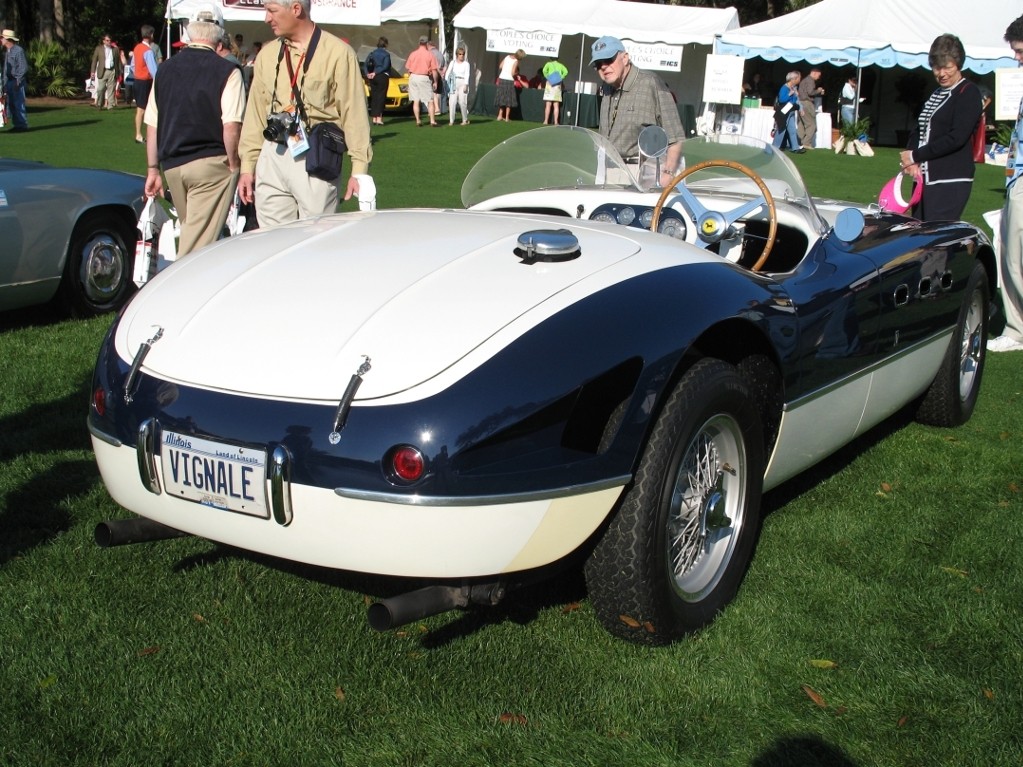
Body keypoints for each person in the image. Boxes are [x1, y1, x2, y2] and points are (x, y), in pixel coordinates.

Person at [238, 0, 372, 228]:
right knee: (271, 242)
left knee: (315, 240)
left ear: (296, 9)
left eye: (272, 11)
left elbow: (355, 114)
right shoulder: (268, 55)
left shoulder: (338, 53)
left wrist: (359, 170)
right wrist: (248, 166)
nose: (266, 19)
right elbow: (255, 113)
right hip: (274, 154)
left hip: (317, 155)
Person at [144, 4, 245, 256]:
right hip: (211, 164)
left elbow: (153, 124)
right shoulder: (228, 71)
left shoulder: (165, 69)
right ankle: (175, 293)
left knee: (194, 233)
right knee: (195, 248)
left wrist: (152, 169)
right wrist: (233, 164)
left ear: (189, 33)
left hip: (173, 166)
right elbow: (231, 125)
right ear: (220, 36)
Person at [899, 34, 983, 222]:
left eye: (947, 67)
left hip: (949, 181)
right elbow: (919, 128)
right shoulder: (936, 93)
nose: (941, 73)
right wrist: (911, 155)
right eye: (936, 67)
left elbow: (956, 138)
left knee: (936, 241)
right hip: (924, 180)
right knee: (918, 236)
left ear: (958, 64)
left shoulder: (968, 92)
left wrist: (916, 156)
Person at [591, 36, 684, 185]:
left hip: (643, 173)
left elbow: (676, 137)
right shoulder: (606, 88)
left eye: (608, 60)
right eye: (598, 64)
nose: (603, 67)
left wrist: (668, 174)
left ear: (625, 58)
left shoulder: (651, 83)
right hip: (609, 171)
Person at [989, 15, 1023, 353]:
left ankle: (1017, 330)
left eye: (1020, 50)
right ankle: (1015, 328)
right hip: (1016, 179)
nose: (1016, 57)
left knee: (1016, 256)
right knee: (1010, 253)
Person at [132, 25, 160, 143]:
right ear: (150, 35)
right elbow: (154, 70)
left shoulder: (137, 48)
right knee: (145, 109)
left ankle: (138, 134)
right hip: (145, 81)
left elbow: (133, 66)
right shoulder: (148, 51)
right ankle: (142, 135)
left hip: (137, 80)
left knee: (140, 109)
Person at [405, 35, 439, 127]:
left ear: (419, 42)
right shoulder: (430, 55)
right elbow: (434, 70)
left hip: (413, 76)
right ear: (427, 43)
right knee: (430, 100)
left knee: (416, 100)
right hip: (424, 77)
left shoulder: (413, 54)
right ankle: (432, 121)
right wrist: (435, 81)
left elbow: (408, 68)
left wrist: (410, 77)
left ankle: (418, 120)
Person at [1, 29, 28, 132]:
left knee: (18, 104)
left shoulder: (18, 50)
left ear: (7, 39)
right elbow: (5, 70)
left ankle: (22, 125)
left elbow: (23, 67)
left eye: (2, 37)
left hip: (16, 81)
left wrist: (18, 81)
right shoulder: (7, 52)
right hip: (9, 81)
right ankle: (17, 125)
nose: (1, 40)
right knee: (11, 104)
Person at [772, 71, 802, 153]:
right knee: (781, 129)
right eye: (798, 78)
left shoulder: (793, 88)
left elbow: (793, 101)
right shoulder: (784, 88)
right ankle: (775, 147)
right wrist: (790, 94)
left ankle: (795, 147)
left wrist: (795, 95)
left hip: (790, 111)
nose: (799, 80)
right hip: (784, 111)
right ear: (793, 79)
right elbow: (782, 99)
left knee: (792, 129)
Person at [90, 33, 122, 110]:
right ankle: (100, 104)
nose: (109, 42)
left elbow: (118, 62)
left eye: (110, 40)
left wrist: (119, 72)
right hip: (102, 71)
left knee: (111, 89)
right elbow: (94, 60)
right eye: (107, 40)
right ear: (103, 41)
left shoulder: (115, 49)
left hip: (112, 71)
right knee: (100, 88)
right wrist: (92, 71)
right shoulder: (98, 48)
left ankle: (110, 106)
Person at [797, 66, 824, 149]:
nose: (818, 78)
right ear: (814, 73)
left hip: (800, 103)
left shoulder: (804, 80)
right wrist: (819, 90)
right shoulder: (810, 81)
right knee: (812, 124)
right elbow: (811, 92)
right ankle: (806, 143)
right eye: (818, 76)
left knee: (801, 124)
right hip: (807, 103)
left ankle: (799, 141)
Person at [366, 37, 390, 126]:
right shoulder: (386, 54)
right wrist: (376, 72)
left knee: (374, 96)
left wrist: (369, 73)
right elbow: (385, 66)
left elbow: (366, 64)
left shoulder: (372, 53)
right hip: (382, 76)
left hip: (372, 77)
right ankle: (379, 118)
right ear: (386, 44)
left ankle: (374, 118)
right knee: (381, 97)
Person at [495, 49, 524, 123]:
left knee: (501, 97)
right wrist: (517, 74)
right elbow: (512, 73)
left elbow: (500, 66)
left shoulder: (507, 57)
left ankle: (499, 116)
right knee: (509, 99)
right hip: (509, 80)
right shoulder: (516, 61)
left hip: (501, 78)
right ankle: (507, 117)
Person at [446, 47, 470, 126]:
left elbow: (467, 74)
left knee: (462, 102)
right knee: (452, 102)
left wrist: (466, 84)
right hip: (453, 82)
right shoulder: (452, 63)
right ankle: (451, 120)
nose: (461, 56)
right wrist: (447, 81)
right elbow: (448, 72)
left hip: (462, 82)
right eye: (460, 54)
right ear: (457, 54)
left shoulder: (466, 64)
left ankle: (465, 120)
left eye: (463, 54)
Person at [542, 57, 568, 125]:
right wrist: (560, 78)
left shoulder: (548, 64)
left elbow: (544, 71)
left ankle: (546, 120)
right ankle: (556, 121)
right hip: (557, 85)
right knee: (556, 105)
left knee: (548, 104)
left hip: (549, 84)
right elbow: (566, 72)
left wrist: (548, 77)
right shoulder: (561, 65)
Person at [428, 39, 446, 117]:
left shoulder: (430, 53)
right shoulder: (440, 53)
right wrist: (443, 73)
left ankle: (436, 109)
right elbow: (445, 65)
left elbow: (435, 66)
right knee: (436, 92)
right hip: (440, 73)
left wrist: (439, 72)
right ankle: (436, 109)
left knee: (433, 93)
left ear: (429, 45)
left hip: (433, 73)